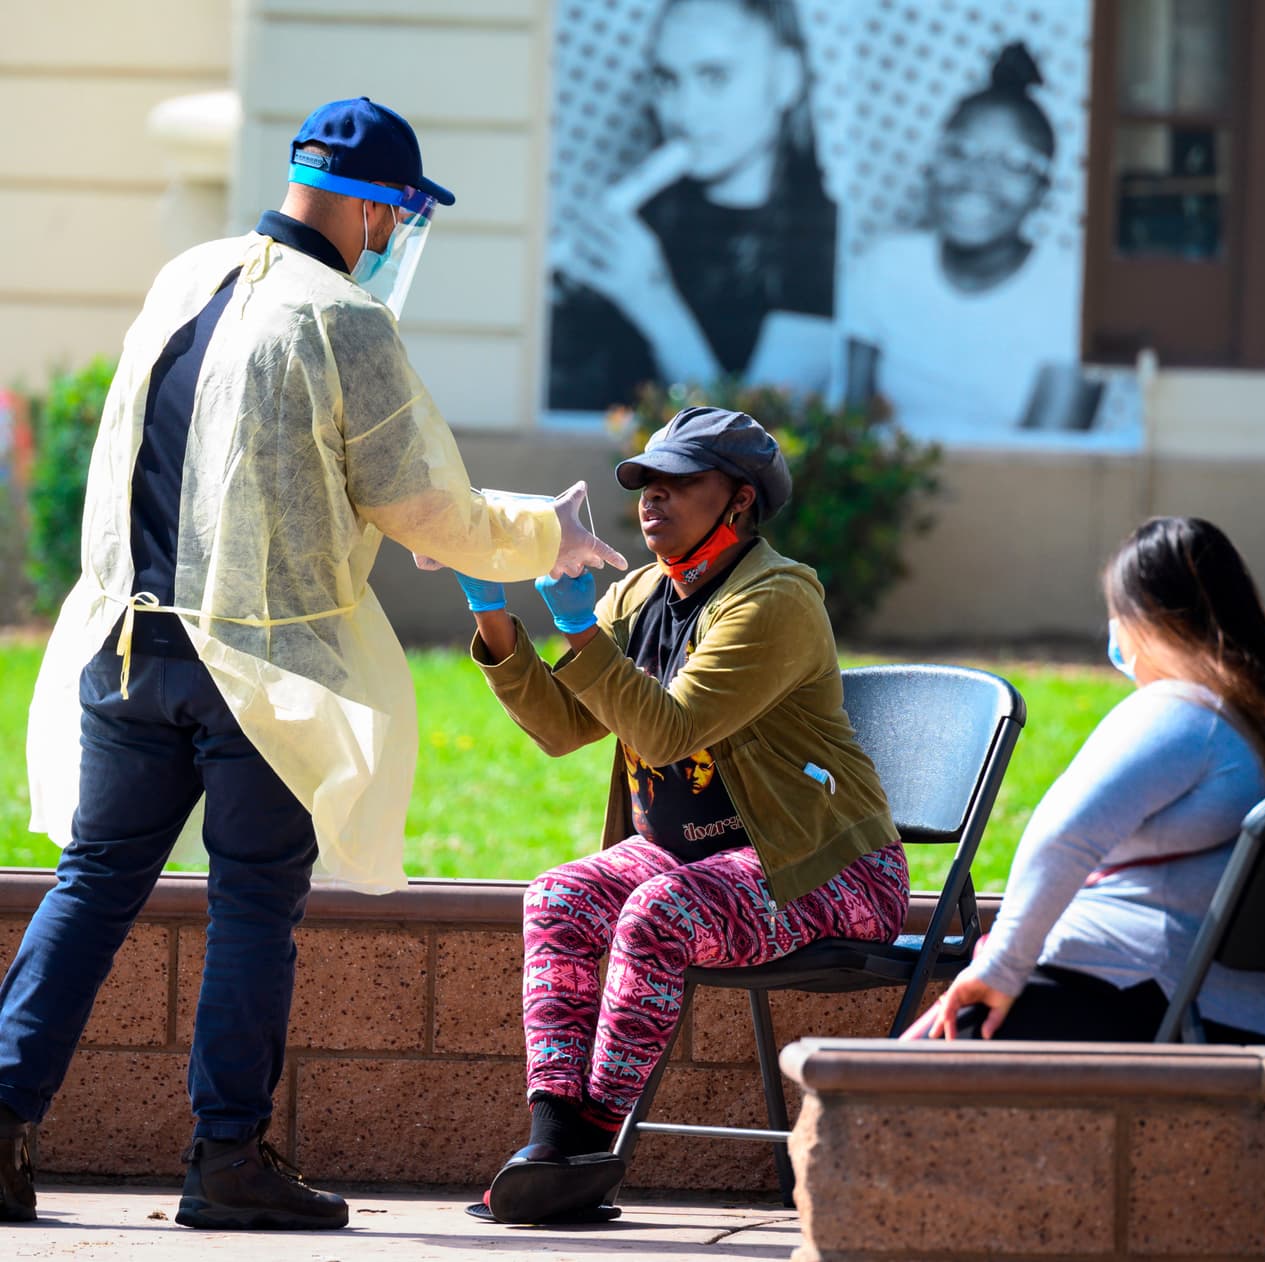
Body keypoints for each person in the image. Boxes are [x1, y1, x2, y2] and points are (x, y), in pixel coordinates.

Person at [0, 96, 624, 1229]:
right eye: (396, 217)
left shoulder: (182, 275)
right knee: (252, 901)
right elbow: (425, 506)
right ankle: (227, 1158)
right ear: (378, 201)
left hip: (123, 648)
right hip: (257, 667)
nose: (392, 241)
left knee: (92, 887)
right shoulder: (343, 320)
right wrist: (551, 538)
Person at [452, 406, 909, 1223]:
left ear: (738, 500)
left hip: (828, 867)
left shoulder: (775, 599)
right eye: (646, 483)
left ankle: (590, 1147)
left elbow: (668, 731)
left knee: (660, 912)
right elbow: (562, 728)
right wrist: (493, 614)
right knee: (557, 895)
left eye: (680, 483)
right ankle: (552, 1138)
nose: (652, 498)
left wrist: (580, 630)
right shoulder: (640, 594)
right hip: (690, 860)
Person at [909, 517, 1265, 1044]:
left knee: (891, 1079)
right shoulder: (1260, 726)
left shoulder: (1184, 711)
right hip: (1228, 1006)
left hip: (1135, 981)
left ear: (1144, 621)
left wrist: (1002, 968)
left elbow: (1063, 835)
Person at [547, 0, 837, 412]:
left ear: (787, 78)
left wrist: (649, 297)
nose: (682, 112)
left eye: (715, 77)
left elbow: (754, 438)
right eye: (668, 80)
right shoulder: (649, 218)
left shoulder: (825, 236)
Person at [838, 42, 1087, 442]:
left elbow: (1052, 461)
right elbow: (851, 435)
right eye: (960, 151)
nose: (978, 177)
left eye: (1014, 163)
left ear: (1044, 191)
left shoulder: (1071, 293)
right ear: (931, 167)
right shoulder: (885, 266)